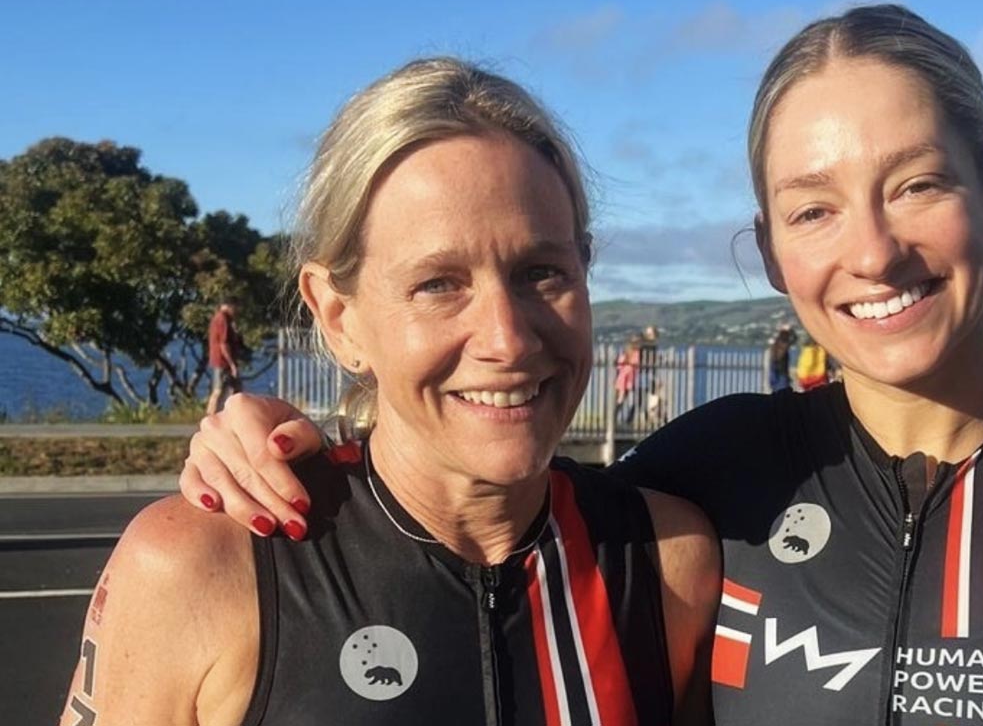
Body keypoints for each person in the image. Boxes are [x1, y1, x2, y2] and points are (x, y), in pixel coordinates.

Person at [173, 5, 983, 725]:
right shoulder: (713, 475)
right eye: (813, 210)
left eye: (917, 184)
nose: (870, 250)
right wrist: (275, 431)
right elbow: (473, 479)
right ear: (774, 248)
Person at [61, 58, 719, 726]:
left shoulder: (670, 561)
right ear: (338, 317)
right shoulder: (199, 566)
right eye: (438, 283)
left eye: (542, 272)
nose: (508, 338)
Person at [206, 302, 243, 415]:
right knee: (219, 390)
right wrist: (232, 364)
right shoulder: (222, 319)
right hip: (222, 362)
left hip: (223, 361)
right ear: (228, 306)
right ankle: (210, 416)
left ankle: (232, 415)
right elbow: (223, 344)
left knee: (236, 389)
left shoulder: (224, 319)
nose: (236, 311)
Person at [615, 333, 642, 426]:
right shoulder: (634, 353)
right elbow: (636, 364)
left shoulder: (626, 353)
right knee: (625, 399)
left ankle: (624, 419)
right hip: (628, 378)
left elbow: (619, 365)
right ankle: (625, 419)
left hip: (626, 378)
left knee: (623, 399)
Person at [767, 323, 797, 392]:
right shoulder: (784, 344)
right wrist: (791, 330)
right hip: (782, 368)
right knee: (782, 390)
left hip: (774, 365)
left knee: (775, 388)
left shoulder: (776, 343)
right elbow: (795, 338)